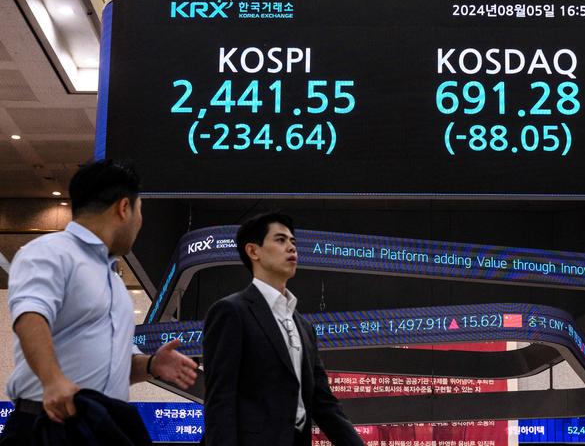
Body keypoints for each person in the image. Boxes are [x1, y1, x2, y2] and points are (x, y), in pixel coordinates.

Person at [0, 160, 198, 444]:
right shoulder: (49, 253)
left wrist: (152, 364)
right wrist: (52, 379)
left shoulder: (115, 283)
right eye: (140, 211)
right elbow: (30, 315)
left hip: (102, 426)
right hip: (47, 426)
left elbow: (110, 367)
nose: (140, 223)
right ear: (123, 208)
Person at [203, 213, 365, 446]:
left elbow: (324, 403)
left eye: (293, 242)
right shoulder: (231, 312)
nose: (291, 247)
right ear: (253, 251)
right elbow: (220, 399)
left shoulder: (304, 326)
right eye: (280, 240)